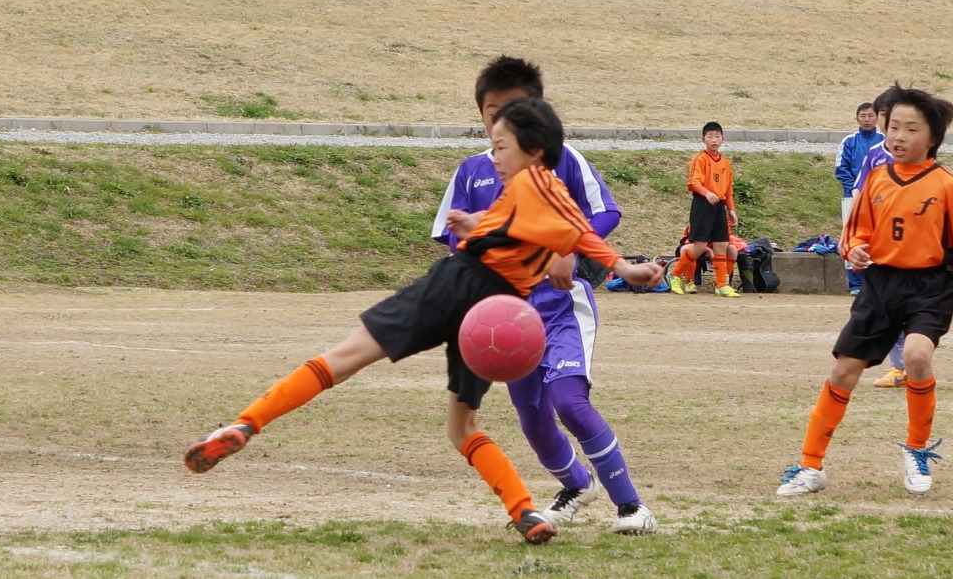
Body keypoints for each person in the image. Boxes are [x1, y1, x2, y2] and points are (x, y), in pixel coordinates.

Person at [183, 97, 663, 544]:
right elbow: (565, 233)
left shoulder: (530, 181)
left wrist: (621, 267)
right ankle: (523, 510)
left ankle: (246, 425)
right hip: (494, 318)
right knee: (462, 427)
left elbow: (565, 232)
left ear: (535, 151)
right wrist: (622, 268)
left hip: (456, 285)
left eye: (501, 147)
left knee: (346, 357)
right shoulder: (543, 190)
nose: (494, 156)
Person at [429, 56, 657, 535]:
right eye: (492, 111)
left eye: (512, 109)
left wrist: (567, 250)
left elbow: (603, 213)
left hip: (559, 306)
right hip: (508, 315)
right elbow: (454, 237)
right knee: (532, 418)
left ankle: (632, 507)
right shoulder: (471, 171)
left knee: (569, 402)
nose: (501, 120)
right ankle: (576, 486)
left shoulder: (561, 160)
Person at [777, 84, 953, 498]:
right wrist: (855, 249)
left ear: (933, 137)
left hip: (930, 285)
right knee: (843, 372)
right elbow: (855, 232)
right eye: (894, 127)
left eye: (911, 128)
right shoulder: (876, 179)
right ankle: (810, 466)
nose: (899, 136)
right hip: (880, 285)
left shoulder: (945, 184)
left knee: (917, 356)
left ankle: (916, 449)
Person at [851, 89, 907, 388]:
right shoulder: (874, 154)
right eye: (884, 116)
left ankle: (908, 366)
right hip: (882, 242)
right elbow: (860, 194)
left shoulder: (918, 154)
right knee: (889, 307)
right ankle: (901, 368)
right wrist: (856, 236)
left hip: (911, 244)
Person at [668, 122, 740, 297]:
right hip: (703, 205)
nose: (714, 140)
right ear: (703, 139)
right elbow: (693, 183)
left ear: (723, 139)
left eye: (717, 136)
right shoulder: (700, 159)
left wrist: (731, 210)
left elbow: (728, 190)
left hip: (719, 206)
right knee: (699, 246)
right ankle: (674, 275)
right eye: (710, 136)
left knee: (722, 244)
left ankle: (721, 285)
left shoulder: (725, 162)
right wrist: (707, 193)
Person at [835, 102, 881, 296]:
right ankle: (855, 284)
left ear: (877, 118)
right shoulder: (849, 141)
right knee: (852, 238)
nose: (867, 119)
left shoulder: (885, 141)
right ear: (857, 118)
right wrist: (855, 189)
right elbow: (841, 169)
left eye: (870, 115)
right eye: (863, 116)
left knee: (879, 238)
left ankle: (877, 282)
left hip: (880, 199)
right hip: (852, 197)